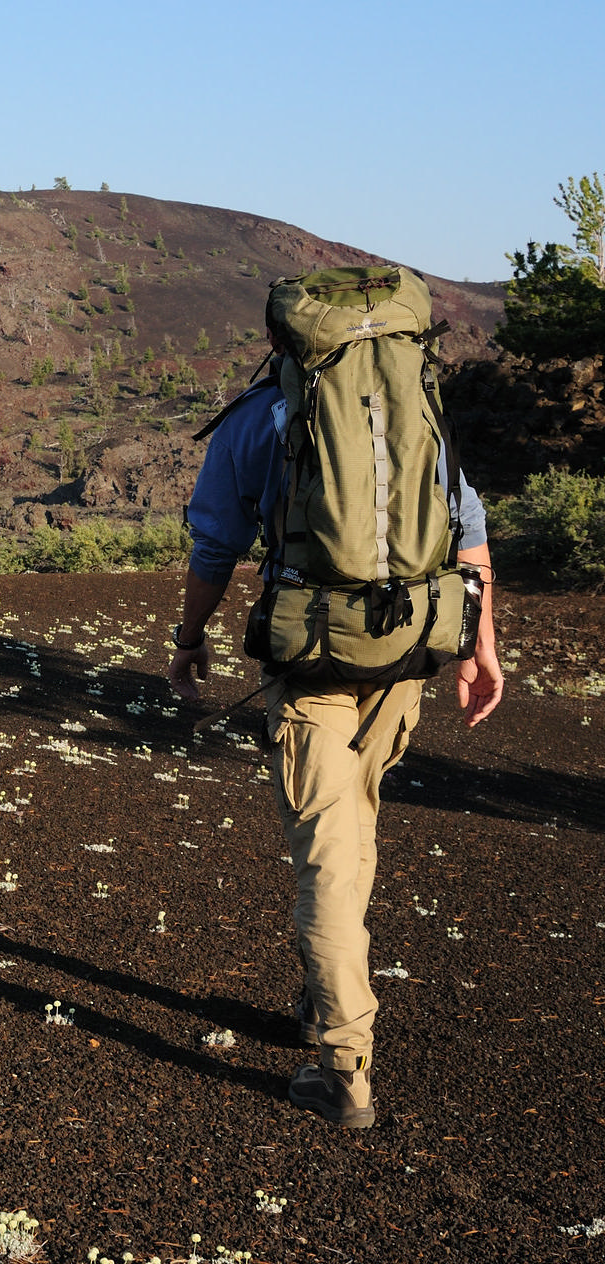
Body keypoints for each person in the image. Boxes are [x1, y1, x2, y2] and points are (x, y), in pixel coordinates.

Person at [167, 354, 503, 1129]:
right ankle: (325, 994)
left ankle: (343, 1064)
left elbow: (216, 545)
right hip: (405, 653)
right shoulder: (412, 403)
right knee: (357, 821)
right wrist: (482, 648)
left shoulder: (255, 418)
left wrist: (188, 639)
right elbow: (471, 531)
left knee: (323, 845)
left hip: (311, 657)